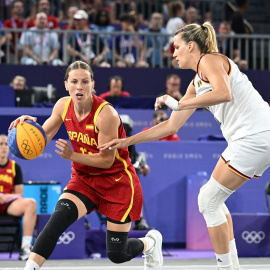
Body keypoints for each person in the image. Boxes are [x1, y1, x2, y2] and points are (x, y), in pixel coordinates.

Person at [98, 22, 270, 270]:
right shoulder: (194, 85)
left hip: (255, 135)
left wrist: (178, 104)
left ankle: (226, 268)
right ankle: (232, 266)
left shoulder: (210, 60)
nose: (174, 52)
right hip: (252, 137)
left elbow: (224, 93)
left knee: (209, 200)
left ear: (191, 46)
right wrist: (126, 141)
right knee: (214, 201)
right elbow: (170, 127)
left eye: (177, 47)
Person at [9, 60, 163, 270]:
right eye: (74, 81)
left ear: (92, 84)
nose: (79, 87)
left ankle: (151, 243)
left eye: (84, 81)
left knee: (117, 254)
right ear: (66, 85)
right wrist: (26, 128)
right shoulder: (63, 106)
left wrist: (72, 155)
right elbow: (41, 139)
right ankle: (30, 268)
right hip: (85, 180)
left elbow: (106, 161)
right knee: (57, 221)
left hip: (117, 182)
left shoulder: (105, 114)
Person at [0, 134, 37, 261]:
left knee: (31, 203)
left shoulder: (15, 166)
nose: (4, 147)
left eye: (6, 144)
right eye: (1, 144)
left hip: (7, 203)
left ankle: (25, 248)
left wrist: (6, 197)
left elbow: (19, 194)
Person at [120, 114, 151, 231]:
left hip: (127, 181)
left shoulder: (130, 143)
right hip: (108, 180)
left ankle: (139, 221)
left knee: (135, 190)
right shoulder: (105, 140)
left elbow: (136, 162)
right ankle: (84, 222)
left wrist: (143, 167)